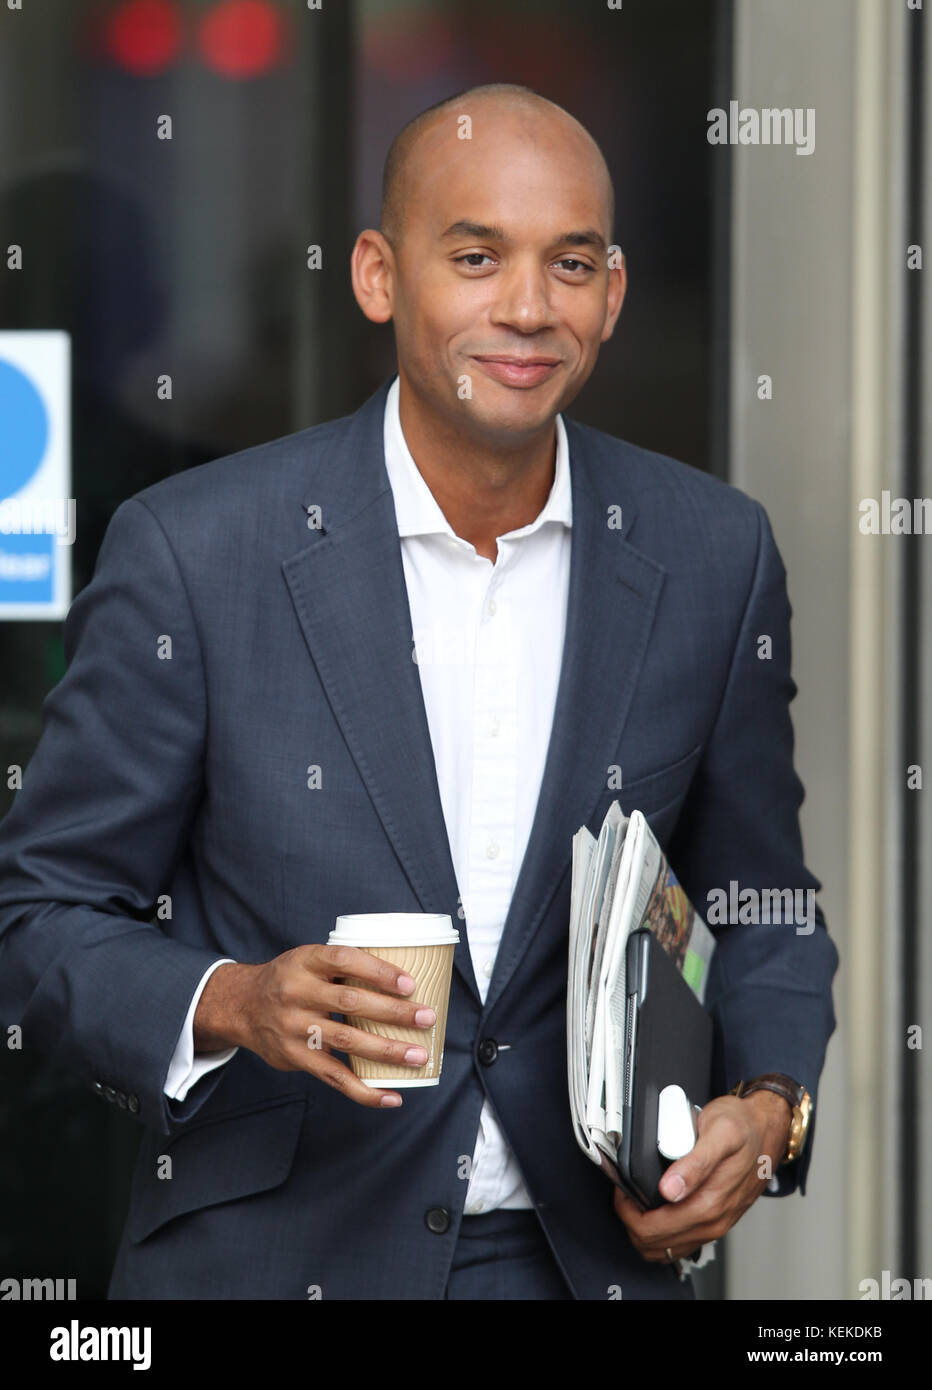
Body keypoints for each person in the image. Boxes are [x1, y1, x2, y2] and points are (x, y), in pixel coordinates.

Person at [0, 83, 838, 1300]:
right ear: (378, 276)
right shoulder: (197, 553)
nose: (525, 308)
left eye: (570, 262)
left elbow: (762, 901)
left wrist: (768, 1115)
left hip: (583, 1262)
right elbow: (39, 917)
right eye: (475, 255)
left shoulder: (711, 556)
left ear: (611, 292)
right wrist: (231, 999)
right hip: (274, 1262)